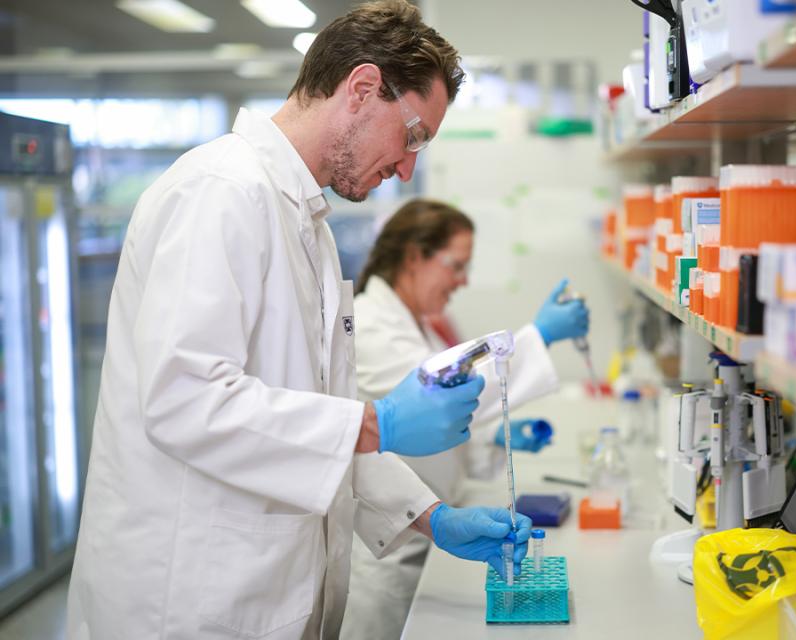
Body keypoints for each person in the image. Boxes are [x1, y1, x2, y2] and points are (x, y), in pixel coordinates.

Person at [65, 3, 532, 639]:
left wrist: (430, 515)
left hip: (268, 594)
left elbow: (315, 415)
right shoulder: (221, 191)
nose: (406, 167)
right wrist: (378, 423)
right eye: (413, 135)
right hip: (189, 604)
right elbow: (184, 398)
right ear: (362, 89)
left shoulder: (303, 220)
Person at [340, 199, 590, 639]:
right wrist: (540, 336)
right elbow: (444, 393)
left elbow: (439, 426)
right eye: (456, 266)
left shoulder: (418, 323)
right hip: (390, 557)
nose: (463, 281)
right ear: (415, 257)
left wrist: (494, 437)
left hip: (427, 535)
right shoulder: (373, 325)